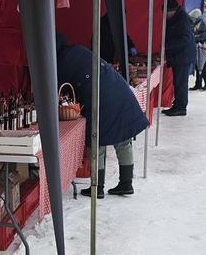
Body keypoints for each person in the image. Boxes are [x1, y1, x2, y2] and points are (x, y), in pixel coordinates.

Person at [56, 40, 149, 197]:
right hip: (118, 91)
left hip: (100, 99)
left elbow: (59, 87)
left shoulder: (62, 60)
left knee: (96, 142)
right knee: (123, 141)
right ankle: (126, 183)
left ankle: (96, 187)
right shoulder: (78, 50)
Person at [163, 0, 197, 117]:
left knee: (180, 83)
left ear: (171, 11)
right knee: (178, 82)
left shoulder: (182, 19)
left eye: (165, 13)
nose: (164, 16)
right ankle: (178, 105)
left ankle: (181, 107)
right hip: (180, 55)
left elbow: (185, 39)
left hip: (183, 56)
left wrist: (167, 47)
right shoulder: (179, 17)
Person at [189, 8, 206, 90]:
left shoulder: (203, 21)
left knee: (201, 66)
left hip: (205, 47)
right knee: (199, 65)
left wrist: (196, 38)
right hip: (203, 46)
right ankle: (198, 84)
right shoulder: (201, 20)